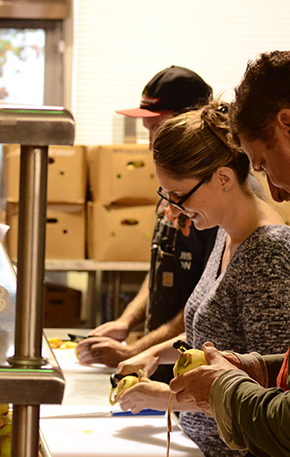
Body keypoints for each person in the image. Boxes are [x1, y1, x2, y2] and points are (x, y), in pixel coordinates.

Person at [114, 101, 290, 456]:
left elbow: (273, 391)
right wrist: (152, 354)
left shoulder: (268, 252)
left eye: (180, 195)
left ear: (223, 179)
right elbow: (215, 332)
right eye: (167, 195)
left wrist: (166, 397)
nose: (173, 207)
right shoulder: (227, 233)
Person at [169, 50, 290, 457]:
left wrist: (222, 387)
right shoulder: (225, 238)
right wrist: (257, 365)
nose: (275, 192)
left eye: (264, 162)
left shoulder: (270, 250)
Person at [76, 66, 217, 377]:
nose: (151, 144)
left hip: (191, 376)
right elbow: (160, 272)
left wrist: (134, 351)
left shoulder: (211, 201)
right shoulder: (173, 189)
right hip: (156, 369)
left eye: (160, 129)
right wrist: (125, 323)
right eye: (149, 131)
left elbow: (204, 307)